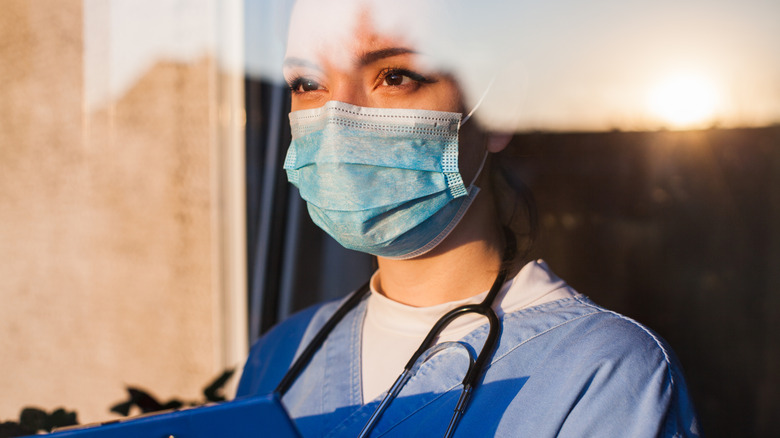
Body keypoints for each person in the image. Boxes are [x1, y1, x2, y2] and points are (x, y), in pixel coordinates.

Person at [236, 0, 701, 436]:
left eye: (395, 76)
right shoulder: (279, 357)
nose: (338, 120)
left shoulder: (604, 375)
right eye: (308, 84)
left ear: (500, 105)